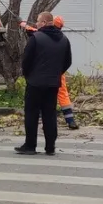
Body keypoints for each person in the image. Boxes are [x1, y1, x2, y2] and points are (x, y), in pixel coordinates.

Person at [16, 11, 72, 156]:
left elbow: (26, 60)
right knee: (50, 114)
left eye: (38, 21)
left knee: (31, 114)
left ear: (45, 22)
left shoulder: (36, 38)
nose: (37, 24)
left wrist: (28, 74)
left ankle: (30, 146)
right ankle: (50, 147)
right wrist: (56, 73)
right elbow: (67, 62)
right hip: (53, 83)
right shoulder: (64, 40)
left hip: (35, 83)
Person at [20, 16, 79, 130]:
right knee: (63, 95)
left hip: (44, 74)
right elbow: (68, 61)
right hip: (58, 73)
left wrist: (23, 24)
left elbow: (32, 31)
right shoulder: (61, 38)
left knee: (42, 96)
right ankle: (70, 120)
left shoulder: (43, 36)